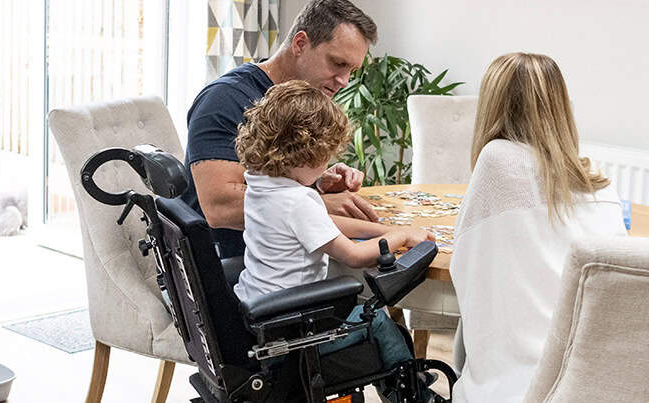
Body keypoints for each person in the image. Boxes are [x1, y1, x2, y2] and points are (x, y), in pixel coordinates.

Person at [449, 52, 629, 402]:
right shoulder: (597, 181)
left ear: (492, 106)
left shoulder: (497, 160)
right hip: (591, 378)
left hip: (519, 385)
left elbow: (468, 258)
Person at [232, 80, 433, 372]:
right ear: (305, 153)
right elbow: (354, 256)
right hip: (294, 331)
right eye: (325, 155)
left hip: (259, 318)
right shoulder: (298, 200)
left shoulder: (261, 184)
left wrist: (384, 231)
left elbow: (322, 225)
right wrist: (401, 235)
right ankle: (413, 389)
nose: (328, 163)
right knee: (376, 320)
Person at [182, 0, 383, 259]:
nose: (344, 82)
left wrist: (316, 183)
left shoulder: (301, 103)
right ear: (300, 44)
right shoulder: (224, 100)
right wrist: (315, 204)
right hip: (240, 269)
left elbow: (266, 184)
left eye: (351, 71)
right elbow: (220, 207)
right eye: (337, 63)